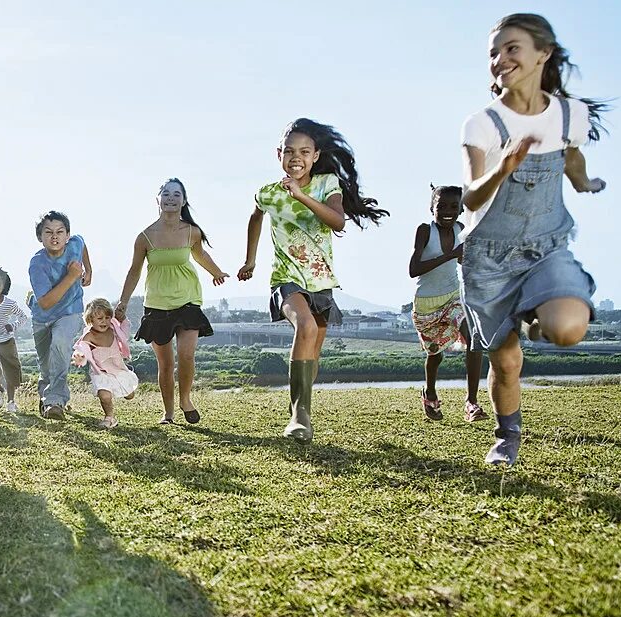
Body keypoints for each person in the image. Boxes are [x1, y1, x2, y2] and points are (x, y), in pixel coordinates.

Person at [460, 13, 606, 466]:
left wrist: (584, 183)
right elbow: (469, 197)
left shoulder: (568, 114)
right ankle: (507, 438)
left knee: (567, 328)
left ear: (543, 53)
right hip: (488, 258)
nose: (500, 60)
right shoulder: (483, 123)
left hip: (545, 247)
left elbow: (573, 159)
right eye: (494, 53)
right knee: (505, 361)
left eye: (511, 49)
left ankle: (535, 315)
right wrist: (502, 169)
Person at [239, 120, 388, 443]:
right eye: (290, 151)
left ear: (316, 155)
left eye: (305, 152)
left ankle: (303, 408)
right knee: (304, 327)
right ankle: (298, 416)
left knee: (314, 351)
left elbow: (337, 221)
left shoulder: (326, 184)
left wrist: (301, 195)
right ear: (278, 154)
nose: (297, 157)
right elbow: (255, 217)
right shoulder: (268, 193)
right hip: (286, 278)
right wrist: (250, 260)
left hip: (321, 281)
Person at [115, 179, 228, 425]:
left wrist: (216, 272)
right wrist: (123, 302)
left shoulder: (191, 231)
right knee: (165, 364)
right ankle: (168, 414)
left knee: (186, 356)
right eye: (166, 194)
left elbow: (201, 255)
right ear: (158, 200)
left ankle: (185, 399)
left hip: (188, 300)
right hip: (157, 304)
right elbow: (134, 270)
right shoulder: (145, 237)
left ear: (183, 201)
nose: (170, 198)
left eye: (176, 194)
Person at [408, 185, 487, 422]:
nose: (447, 211)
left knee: (473, 339)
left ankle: (471, 403)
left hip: (453, 297)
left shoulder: (460, 229)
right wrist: (451, 255)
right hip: (425, 306)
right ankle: (429, 392)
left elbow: (464, 260)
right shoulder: (424, 231)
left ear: (461, 209)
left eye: (454, 206)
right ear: (431, 208)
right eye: (441, 206)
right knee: (436, 355)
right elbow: (414, 269)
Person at [28, 211, 92, 420]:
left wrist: (88, 269)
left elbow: (82, 244)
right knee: (47, 364)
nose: (54, 237)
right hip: (43, 316)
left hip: (70, 310)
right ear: (40, 237)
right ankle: (46, 398)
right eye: (48, 232)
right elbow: (46, 302)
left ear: (67, 235)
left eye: (59, 232)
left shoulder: (74, 244)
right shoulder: (37, 264)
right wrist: (73, 275)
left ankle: (55, 401)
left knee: (61, 344)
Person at [72, 298, 138, 429]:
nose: (104, 321)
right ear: (90, 319)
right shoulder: (89, 336)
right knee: (104, 395)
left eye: (107, 318)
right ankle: (109, 418)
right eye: (100, 318)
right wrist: (80, 357)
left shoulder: (113, 329)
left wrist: (123, 319)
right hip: (101, 372)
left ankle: (126, 391)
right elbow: (81, 349)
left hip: (118, 369)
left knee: (129, 395)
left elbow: (125, 331)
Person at [0, 268, 29, 414]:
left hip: (7, 341)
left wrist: (12, 326)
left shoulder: (9, 304)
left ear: (3, 285)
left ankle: (11, 402)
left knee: (11, 372)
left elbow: (23, 317)